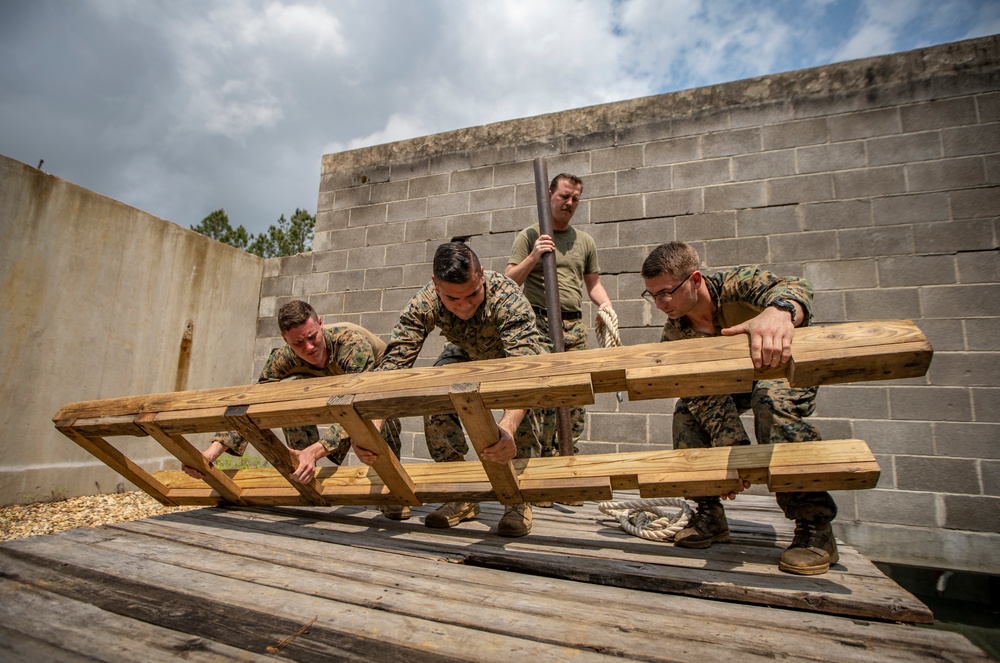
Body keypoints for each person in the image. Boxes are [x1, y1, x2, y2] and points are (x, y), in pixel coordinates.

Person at [640, 241, 839, 576]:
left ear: (696, 279)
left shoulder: (737, 287)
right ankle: (709, 513)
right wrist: (731, 445)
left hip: (779, 369)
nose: (661, 304)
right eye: (653, 295)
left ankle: (815, 527)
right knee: (685, 415)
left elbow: (796, 287)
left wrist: (779, 312)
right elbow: (696, 391)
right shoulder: (675, 333)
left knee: (771, 402)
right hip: (728, 387)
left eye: (667, 292)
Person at [364, 241, 543, 537]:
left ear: (481, 274)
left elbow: (523, 373)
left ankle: (516, 501)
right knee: (434, 391)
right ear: (436, 285)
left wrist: (508, 427)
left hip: (508, 360)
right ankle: (460, 495)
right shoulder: (425, 301)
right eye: (452, 299)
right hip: (466, 354)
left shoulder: (508, 298)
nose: (464, 305)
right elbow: (394, 366)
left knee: (522, 415)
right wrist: (371, 428)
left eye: (473, 294)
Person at [182, 300, 406, 519]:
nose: (309, 347)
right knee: (284, 392)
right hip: (329, 388)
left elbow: (357, 403)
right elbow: (251, 404)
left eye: (312, 337)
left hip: (372, 390)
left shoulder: (352, 345)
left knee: (377, 416)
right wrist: (211, 453)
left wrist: (317, 450)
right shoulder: (282, 358)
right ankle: (303, 468)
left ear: (320, 323)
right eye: (298, 343)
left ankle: (392, 490)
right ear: (285, 340)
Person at [505, 173, 613, 463]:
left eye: (575, 198)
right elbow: (508, 282)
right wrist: (533, 257)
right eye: (564, 196)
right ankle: (538, 469)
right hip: (537, 326)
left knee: (575, 398)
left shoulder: (585, 241)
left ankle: (567, 465)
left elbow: (593, 284)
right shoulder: (530, 236)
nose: (569, 203)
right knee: (540, 396)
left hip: (574, 327)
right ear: (549, 194)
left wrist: (607, 306)